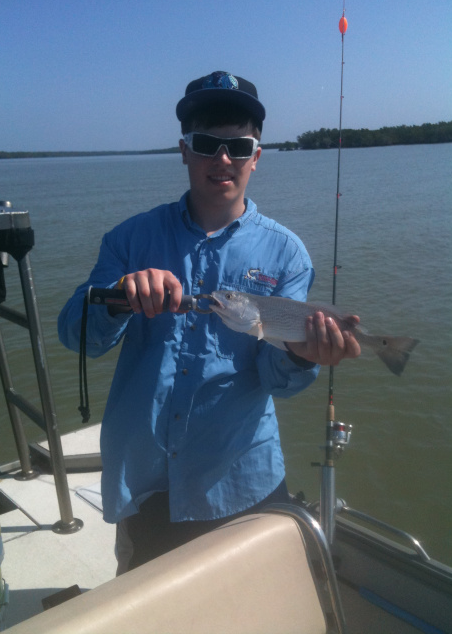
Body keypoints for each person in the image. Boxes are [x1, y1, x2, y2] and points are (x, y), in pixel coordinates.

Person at [58, 70, 360, 574]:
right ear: (184, 150)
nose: (223, 160)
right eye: (207, 144)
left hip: (244, 477)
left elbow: (275, 380)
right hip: (150, 480)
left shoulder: (287, 253)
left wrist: (303, 354)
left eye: (239, 147)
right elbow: (75, 335)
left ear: (256, 157)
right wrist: (118, 298)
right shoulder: (128, 239)